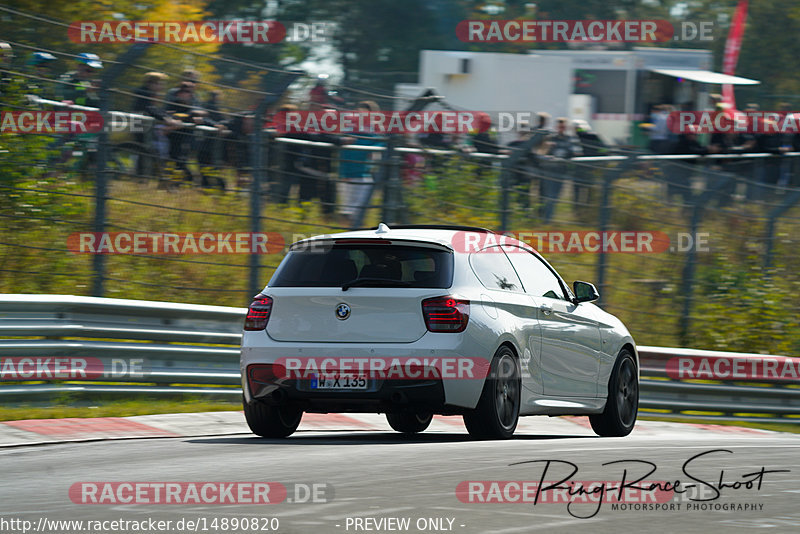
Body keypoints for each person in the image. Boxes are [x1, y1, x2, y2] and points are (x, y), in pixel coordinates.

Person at [338, 100, 382, 224]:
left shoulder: (374, 129)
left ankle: (355, 223)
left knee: (362, 200)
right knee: (348, 202)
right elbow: (344, 147)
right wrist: (343, 173)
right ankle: (349, 224)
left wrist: (374, 148)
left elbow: (380, 142)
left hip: (364, 170)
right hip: (350, 169)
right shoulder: (350, 127)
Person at [540, 117, 582, 222]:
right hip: (549, 170)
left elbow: (578, 152)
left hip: (561, 170)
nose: (561, 128)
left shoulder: (570, 139)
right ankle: (544, 218)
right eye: (559, 126)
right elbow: (542, 152)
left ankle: (548, 218)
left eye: (563, 126)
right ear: (556, 127)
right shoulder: (550, 138)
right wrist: (548, 148)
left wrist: (569, 154)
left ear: (566, 127)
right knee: (546, 194)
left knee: (555, 195)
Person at [506, 122, 539, 213]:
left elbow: (534, 159)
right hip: (513, 174)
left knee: (525, 195)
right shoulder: (512, 144)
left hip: (525, 175)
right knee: (512, 194)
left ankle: (525, 214)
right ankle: (513, 213)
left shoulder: (530, 145)